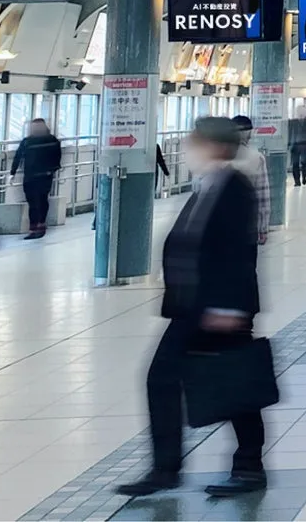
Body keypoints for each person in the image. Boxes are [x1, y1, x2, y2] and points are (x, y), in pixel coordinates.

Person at [118, 117, 267, 498]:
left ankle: (246, 468)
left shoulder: (234, 188)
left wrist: (230, 308)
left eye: (194, 143)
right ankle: (168, 468)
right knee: (174, 381)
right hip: (195, 307)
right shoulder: (209, 186)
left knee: (234, 386)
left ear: (213, 146)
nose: (187, 150)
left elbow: (238, 252)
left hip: (220, 309)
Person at [10, 118, 62, 239]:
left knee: (40, 200)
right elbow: (18, 156)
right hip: (32, 176)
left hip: (42, 175)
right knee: (33, 201)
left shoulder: (50, 140)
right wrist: (12, 172)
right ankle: (35, 227)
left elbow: (56, 156)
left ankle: (39, 225)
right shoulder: (28, 141)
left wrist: (52, 169)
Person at [230, 116, 271, 244]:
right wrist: (263, 228)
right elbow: (262, 197)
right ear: (249, 133)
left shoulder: (216, 156)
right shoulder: (257, 158)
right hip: (247, 219)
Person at [287, 104, 306, 186]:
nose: (301, 112)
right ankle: (297, 181)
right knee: (295, 163)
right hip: (295, 145)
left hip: (305, 144)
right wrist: (288, 144)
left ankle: (304, 175)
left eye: (303, 111)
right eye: (299, 111)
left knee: (304, 161)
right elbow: (290, 133)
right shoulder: (292, 121)